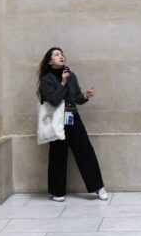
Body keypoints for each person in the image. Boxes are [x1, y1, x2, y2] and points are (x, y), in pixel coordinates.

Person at [37, 47, 107, 202]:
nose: (61, 56)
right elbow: (54, 100)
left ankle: (98, 187)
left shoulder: (71, 75)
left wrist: (85, 96)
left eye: (61, 54)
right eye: (56, 54)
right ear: (50, 61)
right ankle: (56, 191)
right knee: (58, 155)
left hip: (73, 118)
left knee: (85, 152)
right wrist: (62, 83)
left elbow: (77, 98)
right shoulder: (46, 80)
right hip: (57, 121)